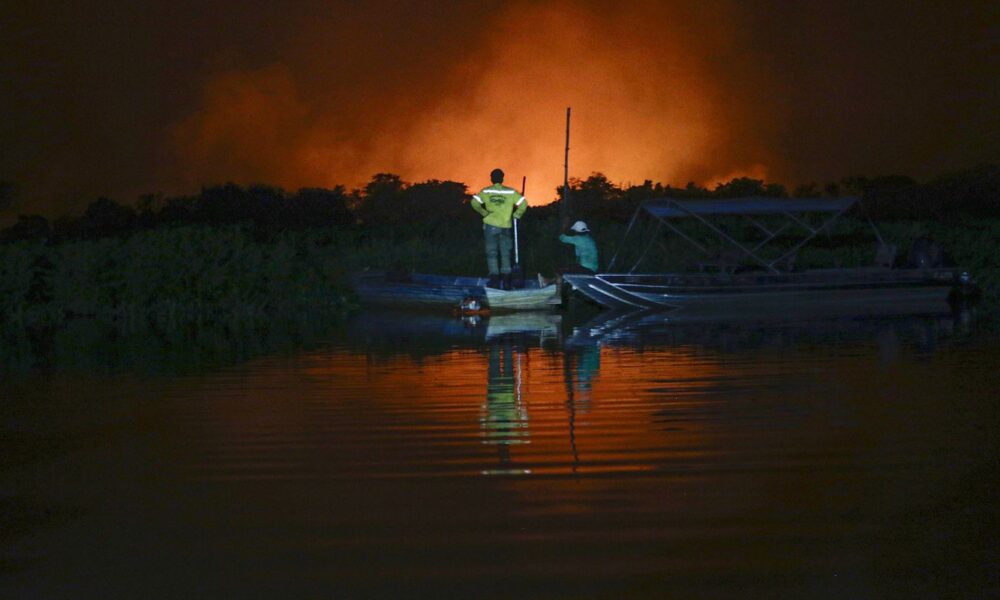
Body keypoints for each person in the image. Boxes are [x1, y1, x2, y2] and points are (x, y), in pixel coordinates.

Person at [471, 168, 527, 289]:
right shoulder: (511, 192)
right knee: (505, 253)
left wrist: (484, 213)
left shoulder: (486, 191)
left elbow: (474, 203)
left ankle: (494, 281)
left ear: (491, 178)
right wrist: (516, 215)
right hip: (506, 226)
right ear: (502, 178)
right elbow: (523, 203)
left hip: (490, 227)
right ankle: (506, 282)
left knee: (492, 253)